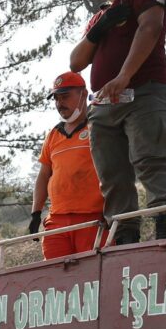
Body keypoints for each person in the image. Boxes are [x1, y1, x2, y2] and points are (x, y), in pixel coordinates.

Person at [70, 0, 166, 244]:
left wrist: (124, 75)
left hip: (145, 92)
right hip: (104, 104)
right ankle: (124, 234)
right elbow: (75, 62)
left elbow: (150, 27)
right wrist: (99, 28)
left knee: (151, 159)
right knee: (112, 174)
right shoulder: (101, 16)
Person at [29, 72, 107, 259]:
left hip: (92, 218)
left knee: (94, 277)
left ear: (83, 94)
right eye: (56, 99)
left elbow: (115, 168)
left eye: (65, 97)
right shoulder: (53, 135)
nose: (59, 103)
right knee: (57, 281)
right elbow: (43, 175)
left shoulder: (99, 125)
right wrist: (35, 213)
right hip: (56, 222)